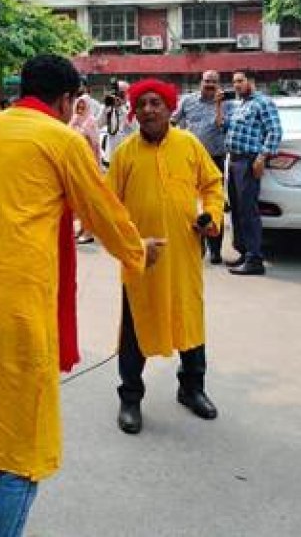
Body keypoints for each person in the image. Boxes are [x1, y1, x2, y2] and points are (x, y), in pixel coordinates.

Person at [0, 54, 165, 537]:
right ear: (68, 99)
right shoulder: (62, 140)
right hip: (19, 309)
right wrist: (138, 251)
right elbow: (102, 213)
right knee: (22, 450)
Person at [108, 78, 224, 434]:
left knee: (188, 321)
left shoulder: (189, 144)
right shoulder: (125, 152)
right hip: (142, 261)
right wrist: (131, 244)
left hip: (184, 256)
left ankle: (192, 389)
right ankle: (130, 399)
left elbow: (213, 184)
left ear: (170, 108)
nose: (147, 110)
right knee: (135, 330)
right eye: (141, 104)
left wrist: (212, 217)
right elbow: (109, 207)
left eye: (155, 103)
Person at [223, 70, 282, 276]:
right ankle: (244, 252)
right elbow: (226, 127)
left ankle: (255, 259)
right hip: (235, 160)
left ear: (251, 82)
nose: (236, 85)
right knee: (237, 210)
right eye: (234, 82)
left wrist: (261, 157)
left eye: (240, 81)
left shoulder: (262, 102)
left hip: (249, 160)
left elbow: (274, 131)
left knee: (248, 211)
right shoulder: (242, 105)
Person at [173, 70, 234, 264]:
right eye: (207, 81)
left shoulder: (227, 103)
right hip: (188, 159)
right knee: (188, 202)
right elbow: (174, 120)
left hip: (214, 158)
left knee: (213, 203)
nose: (209, 84)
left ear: (219, 84)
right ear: (201, 82)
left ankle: (215, 249)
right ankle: (196, 244)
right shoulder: (188, 101)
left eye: (213, 82)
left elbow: (221, 125)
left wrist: (218, 104)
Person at [69, 95, 102, 244]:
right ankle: (82, 228)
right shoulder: (74, 120)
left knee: (87, 200)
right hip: (74, 164)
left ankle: (89, 232)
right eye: (78, 106)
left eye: (83, 106)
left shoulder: (91, 122)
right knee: (78, 200)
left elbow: (94, 145)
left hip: (87, 164)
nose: (80, 109)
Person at [97, 79, 135, 163]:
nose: (118, 95)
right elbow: (98, 125)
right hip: (111, 154)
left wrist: (122, 108)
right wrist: (106, 109)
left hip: (128, 154)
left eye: (122, 93)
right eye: (117, 92)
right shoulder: (109, 106)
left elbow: (135, 128)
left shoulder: (132, 107)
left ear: (128, 93)